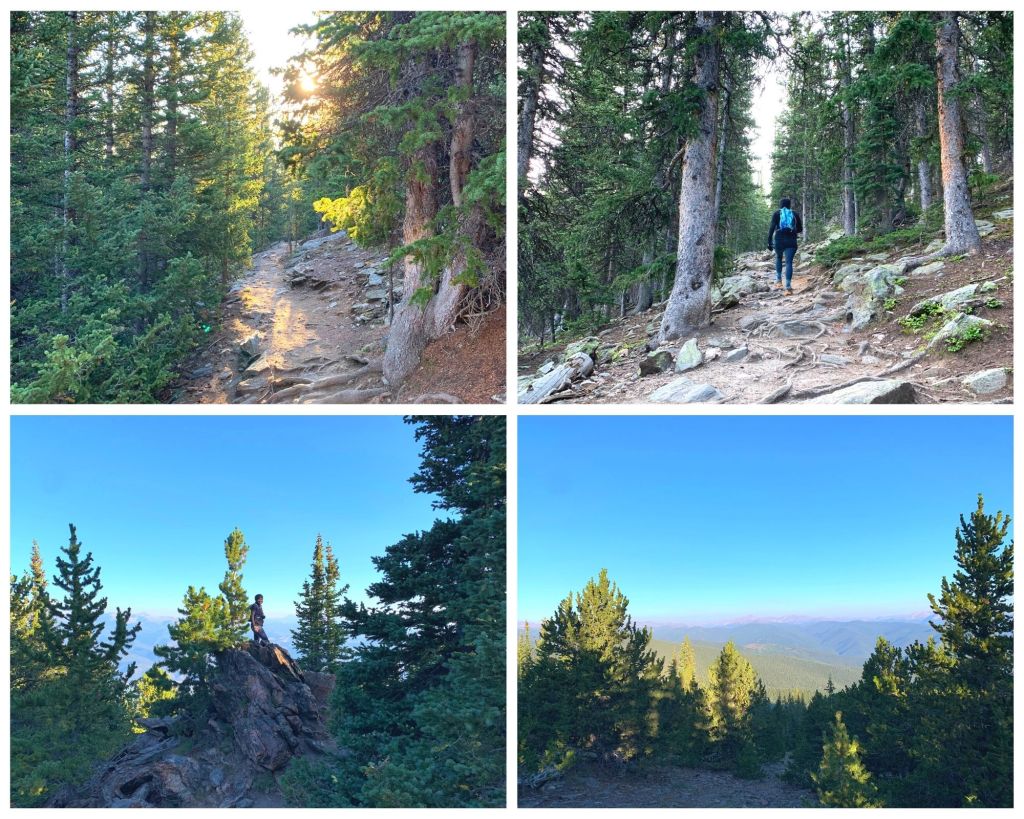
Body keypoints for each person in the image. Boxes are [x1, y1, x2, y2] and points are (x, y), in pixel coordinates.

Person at [767, 197, 803, 295]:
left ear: (780, 205)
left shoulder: (776, 213)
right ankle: (788, 287)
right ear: (789, 205)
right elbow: (800, 229)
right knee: (789, 262)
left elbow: (771, 228)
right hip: (791, 240)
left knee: (778, 258)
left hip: (779, 239)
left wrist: (769, 241)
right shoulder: (794, 214)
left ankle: (778, 281)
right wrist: (792, 230)